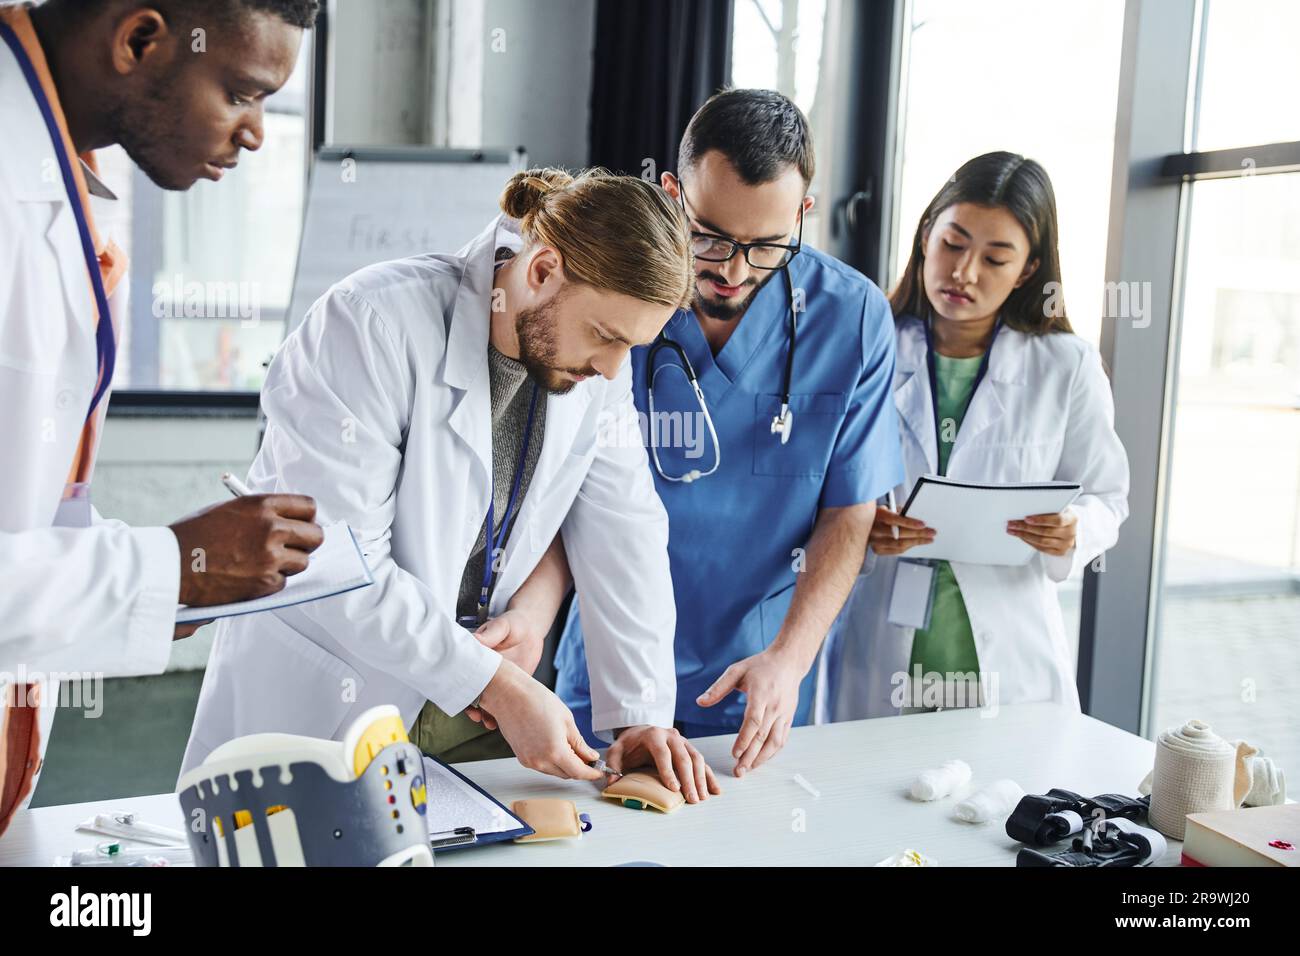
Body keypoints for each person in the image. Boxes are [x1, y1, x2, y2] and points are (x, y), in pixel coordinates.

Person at [183, 167, 721, 802]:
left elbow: (624, 525)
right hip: (337, 693)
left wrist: (641, 714)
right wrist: (496, 682)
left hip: (470, 709)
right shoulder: (369, 324)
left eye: (630, 346)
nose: (611, 369)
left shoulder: (598, 369)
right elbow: (338, 563)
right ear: (542, 270)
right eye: (605, 336)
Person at [0, 0, 324, 837]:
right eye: (241, 92)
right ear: (139, 39)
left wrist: (178, 577)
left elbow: (29, 514)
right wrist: (172, 568)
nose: (257, 133)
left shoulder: (62, 174)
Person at [554, 89, 905, 776]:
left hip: (755, 678)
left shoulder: (854, 317)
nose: (732, 271)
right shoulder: (615, 297)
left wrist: (789, 660)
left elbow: (849, 511)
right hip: (608, 659)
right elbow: (568, 489)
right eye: (708, 235)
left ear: (802, 213)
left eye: (767, 246)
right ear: (671, 195)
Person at [826, 151, 1130, 719]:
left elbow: (1108, 497)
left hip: (1008, 652)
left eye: (995, 258)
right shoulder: (866, 347)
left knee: (1006, 776)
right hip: (886, 642)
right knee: (875, 771)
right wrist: (861, 527)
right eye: (953, 244)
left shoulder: (1065, 365)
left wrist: (1074, 529)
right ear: (925, 236)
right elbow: (822, 487)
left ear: (1028, 269)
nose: (964, 272)